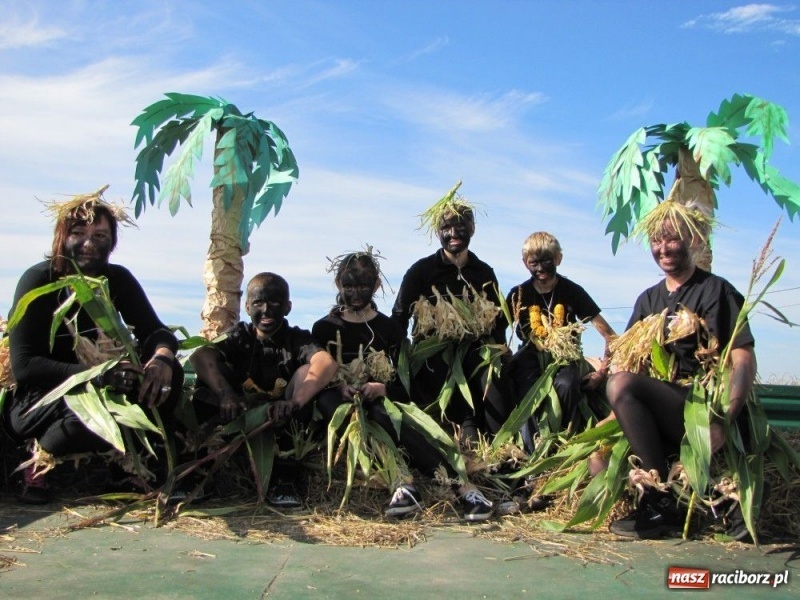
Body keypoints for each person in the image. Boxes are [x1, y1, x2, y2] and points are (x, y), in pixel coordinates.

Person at [5, 188, 183, 504]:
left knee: (170, 376)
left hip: (104, 383)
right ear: (62, 237)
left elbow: (156, 330)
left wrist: (163, 357)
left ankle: (130, 465)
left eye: (100, 235)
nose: (90, 243)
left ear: (112, 242)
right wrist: (98, 375)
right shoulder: (38, 282)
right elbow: (25, 365)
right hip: (44, 397)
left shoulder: (117, 280)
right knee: (94, 412)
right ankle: (35, 460)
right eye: (79, 233)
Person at [605, 205, 756, 539]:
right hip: (666, 406)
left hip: (702, 406)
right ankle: (657, 496)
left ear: (694, 238)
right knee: (597, 459)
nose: (663, 249)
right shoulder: (648, 299)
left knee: (621, 384)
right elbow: (628, 365)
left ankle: (660, 503)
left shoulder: (717, 291)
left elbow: (743, 359)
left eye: (672, 239)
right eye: (656, 241)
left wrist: (725, 419)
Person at [313, 249, 485, 519]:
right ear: (338, 285)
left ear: (377, 285)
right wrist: (339, 387)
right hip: (343, 401)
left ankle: (464, 487)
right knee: (339, 409)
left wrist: (383, 389)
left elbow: (404, 383)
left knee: (384, 414)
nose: (355, 293)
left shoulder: (389, 329)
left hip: (382, 401)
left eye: (363, 286)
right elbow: (319, 375)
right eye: (348, 286)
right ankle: (402, 483)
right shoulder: (324, 328)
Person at [391, 182, 515, 520]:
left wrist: (499, 348)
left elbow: (498, 318)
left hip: (474, 350)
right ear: (437, 231)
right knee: (437, 369)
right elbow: (400, 315)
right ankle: (459, 441)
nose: (454, 232)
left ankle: (503, 452)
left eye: (461, 225)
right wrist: (396, 358)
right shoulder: (421, 271)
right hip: (434, 352)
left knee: (491, 370)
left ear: (472, 229)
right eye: (447, 227)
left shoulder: (482, 271)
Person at [190, 272, 339, 507]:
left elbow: (325, 363)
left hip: (282, 423)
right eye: (258, 303)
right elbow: (200, 356)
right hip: (241, 422)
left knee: (305, 375)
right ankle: (197, 469)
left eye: (275, 303)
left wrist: (295, 402)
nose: (266, 310)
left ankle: (285, 476)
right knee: (210, 376)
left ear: (288, 307)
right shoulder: (239, 337)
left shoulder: (297, 339)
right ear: (247, 307)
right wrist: (225, 393)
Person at [506, 231, 616, 446]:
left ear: (558, 259)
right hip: (530, 355)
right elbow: (497, 329)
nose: (541, 269)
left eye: (547, 261)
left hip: (566, 358)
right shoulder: (518, 293)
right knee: (527, 387)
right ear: (524, 263)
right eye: (533, 263)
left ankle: (562, 441)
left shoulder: (572, 291)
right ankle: (531, 452)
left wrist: (601, 373)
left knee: (566, 384)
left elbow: (610, 336)